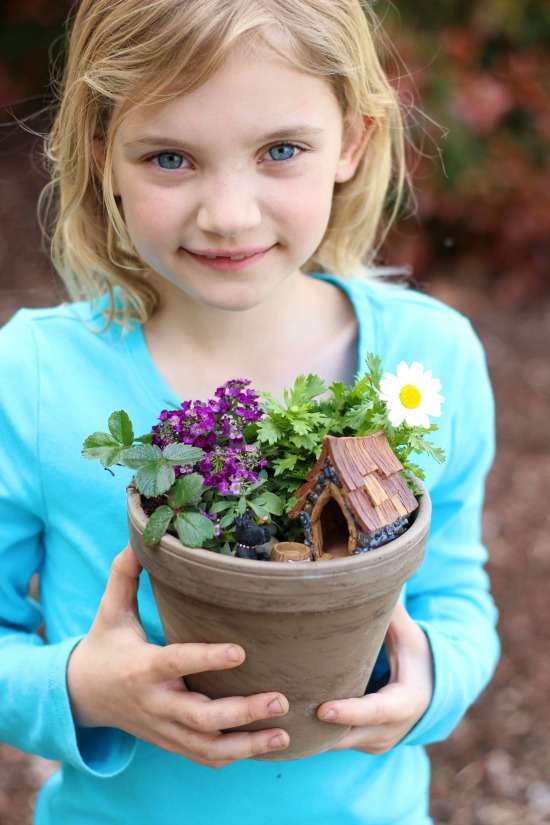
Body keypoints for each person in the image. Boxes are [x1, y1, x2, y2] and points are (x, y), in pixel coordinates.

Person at [0, 1, 499, 822]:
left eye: (280, 150)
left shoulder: (429, 359)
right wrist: (86, 685)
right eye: (170, 157)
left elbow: (455, 594)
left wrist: (429, 681)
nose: (228, 214)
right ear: (103, 154)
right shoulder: (39, 377)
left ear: (352, 141)